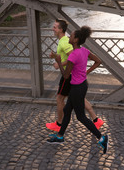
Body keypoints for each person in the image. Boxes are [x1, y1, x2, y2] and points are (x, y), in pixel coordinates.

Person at [47, 26, 109, 154]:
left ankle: (102, 138)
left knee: (81, 116)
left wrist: (58, 61)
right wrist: (86, 72)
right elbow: (98, 61)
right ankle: (60, 136)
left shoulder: (73, 56)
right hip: (82, 85)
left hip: (76, 88)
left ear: (75, 40)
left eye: (71, 35)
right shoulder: (84, 51)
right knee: (67, 110)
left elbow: (65, 76)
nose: (69, 37)